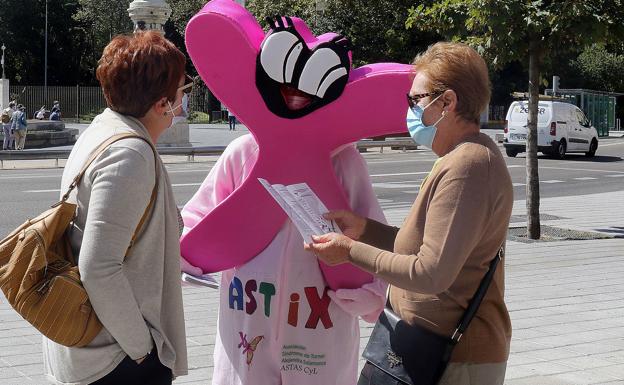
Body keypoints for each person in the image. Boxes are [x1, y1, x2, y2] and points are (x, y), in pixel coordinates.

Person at [306, 42, 514, 385]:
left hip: (452, 361)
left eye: (416, 100)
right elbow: (428, 247)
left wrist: (349, 252)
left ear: (447, 102)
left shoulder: (468, 166)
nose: (410, 108)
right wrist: (365, 229)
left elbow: (429, 274)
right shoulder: (461, 157)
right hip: (424, 349)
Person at [43, 31, 192, 385]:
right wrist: (142, 349)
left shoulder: (103, 129)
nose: (185, 102)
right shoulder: (130, 154)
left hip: (92, 344)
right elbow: (98, 266)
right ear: (162, 104)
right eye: (183, 92)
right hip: (113, 357)